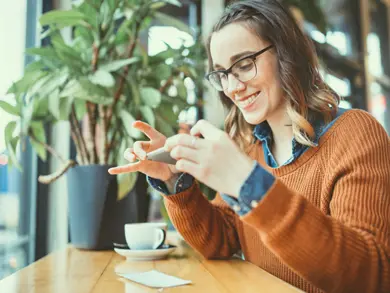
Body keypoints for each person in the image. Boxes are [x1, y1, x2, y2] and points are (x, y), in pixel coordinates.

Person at [108, 0, 390, 292]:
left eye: (244, 65)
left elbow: (369, 275)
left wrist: (250, 184)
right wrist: (175, 182)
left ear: (286, 54)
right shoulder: (249, 147)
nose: (233, 87)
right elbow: (221, 239)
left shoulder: (355, 133)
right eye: (222, 74)